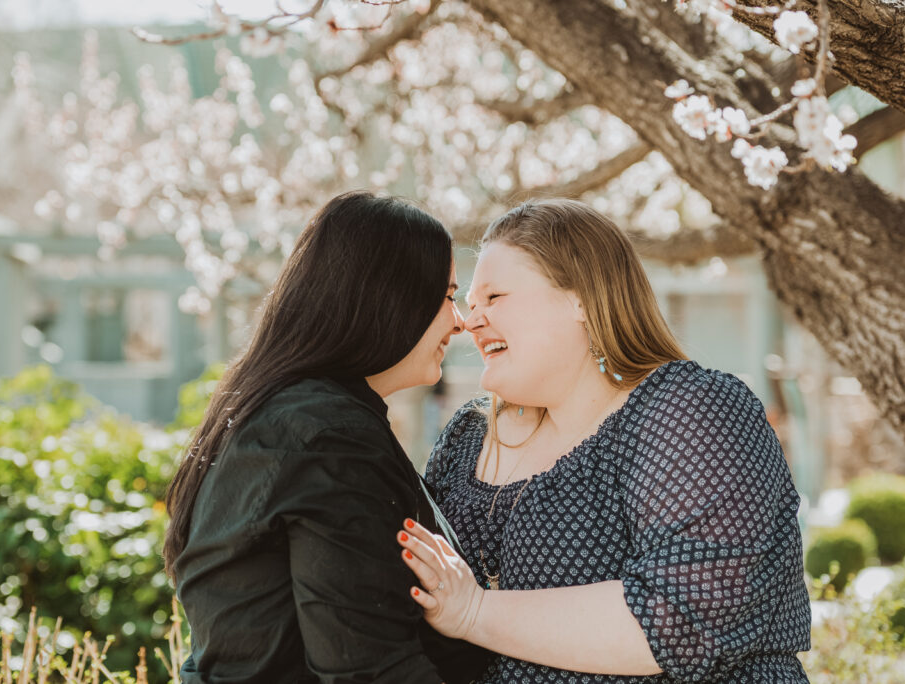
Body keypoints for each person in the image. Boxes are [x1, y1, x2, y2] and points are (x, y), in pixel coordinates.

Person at [396, 199, 812, 682]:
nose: (470, 320)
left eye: (494, 298)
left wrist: (474, 612)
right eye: (470, 303)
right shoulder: (468, 438)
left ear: (581, 299)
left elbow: (676, 623)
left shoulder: (689, 410)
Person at [163, 192, 491, 683]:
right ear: (388, 298)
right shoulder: (328, 437)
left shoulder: (285, 414)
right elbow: (368, 667)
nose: (461, 320)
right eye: (446, 296)